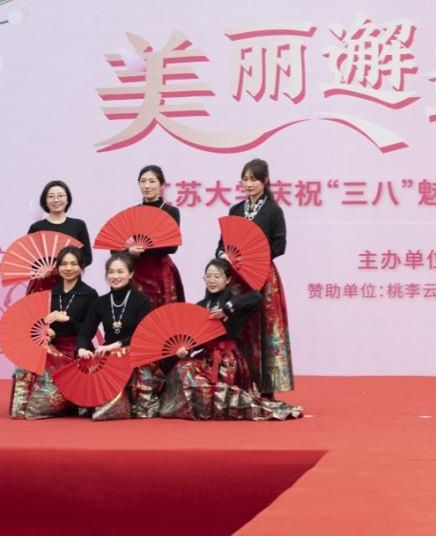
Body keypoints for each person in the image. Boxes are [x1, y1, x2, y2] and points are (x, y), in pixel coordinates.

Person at [159, 259, 301, 421]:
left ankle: (216, 405)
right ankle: (201, 407)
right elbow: (195, 340)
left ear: (227, 280)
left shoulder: (235, 302)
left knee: (216, 385)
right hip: (206, 358)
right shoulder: (201, 306)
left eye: (217, 276)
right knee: (182, 368)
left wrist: (228, 308)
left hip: (228, 360)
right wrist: (186, 350)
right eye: (208, 276)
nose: (212, 280)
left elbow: (256, 297)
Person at [217, 158, 293, 398]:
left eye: (254, 179)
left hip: (263, 277)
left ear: (265, 181)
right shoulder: (236, 210)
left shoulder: (273, 210)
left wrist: (254, 258)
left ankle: (267, 388)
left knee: (265, 327)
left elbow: (279, 245)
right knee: (241, 326)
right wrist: (223, 255)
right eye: (245, 179)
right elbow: (222, 243)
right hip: (237, 278)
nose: (249, 184)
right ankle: (240, 382)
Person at [9, 246, 98, 419]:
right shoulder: (49, 293)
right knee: (25, 363)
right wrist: (47, 330)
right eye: (64, 264)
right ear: (57, 267)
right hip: (52, 348)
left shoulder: (90, 294)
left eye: (74, 264)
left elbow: (89, 331)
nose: (69, 268)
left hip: (77, 349)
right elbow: (34, 325)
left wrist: (68, 320)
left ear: (81, 266)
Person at [77, 253, 160, 420]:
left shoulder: (142, 300)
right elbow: (85, 332)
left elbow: (142, 335)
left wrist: (116, 345)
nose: (115, 276)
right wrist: (82, 348)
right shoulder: (100, 302)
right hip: (109, 355)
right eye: (111, 272)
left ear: (131, 274)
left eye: (120, 272)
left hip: (136, 353)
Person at [128, 165, 185, 308]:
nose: (147, 186)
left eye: (152, 181)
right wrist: (129, 251)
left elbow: (172, 246)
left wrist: (143, 249)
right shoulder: (133, 212)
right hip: (137, 270)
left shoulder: (171, 211)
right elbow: (117, 244)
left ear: (162, 185)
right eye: (143, 181)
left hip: (160, 271)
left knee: (163, 314)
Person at [27, 180, 92, 291]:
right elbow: (28, 258)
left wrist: (68, 267)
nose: (56, 200)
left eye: (60, 196)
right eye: (51, 196)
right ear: (45, 200)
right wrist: (41, 269)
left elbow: (87, 257)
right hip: (43, 283)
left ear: (67, 199)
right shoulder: (36, 228)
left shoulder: (78, 225)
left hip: (71, 282)